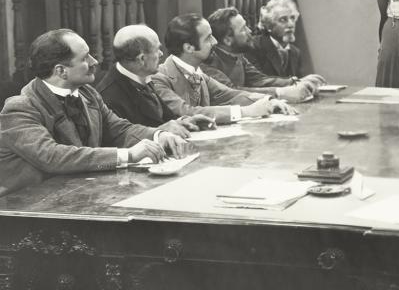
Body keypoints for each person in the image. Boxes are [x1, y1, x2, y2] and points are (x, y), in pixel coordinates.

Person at [0, 29, 192, 196]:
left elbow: (119, 129)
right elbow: (52, 157)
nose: (95, 62)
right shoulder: (20, 108)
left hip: (76, 196)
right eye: (85, 58)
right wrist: (128, 155)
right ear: (61, 71)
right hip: (26, 207)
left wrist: (159, 135)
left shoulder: (88, 94)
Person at [152, 14, 296, 125]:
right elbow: (187, 112)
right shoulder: (159, 78)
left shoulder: (198, 74)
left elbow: (230, 94)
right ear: (189, 48)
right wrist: (245, 112)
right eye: (208, 38)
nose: (215, 42)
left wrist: (268, 101)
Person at [96, 24, 216, 136]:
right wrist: (159, 131)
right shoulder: (109, 96)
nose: (161, 54)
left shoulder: (141, 75)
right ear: (142, 59)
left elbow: (164, 119)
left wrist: (185, 121)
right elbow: (124, 138)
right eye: (157, 49)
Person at [205, 6, 323, 102]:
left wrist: (294, 82)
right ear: (227, 40)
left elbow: (259, 80)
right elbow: (232, 92)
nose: (250, 31)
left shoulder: (238, 55)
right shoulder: (210, 63)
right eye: (243, 29)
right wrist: (280, 93)